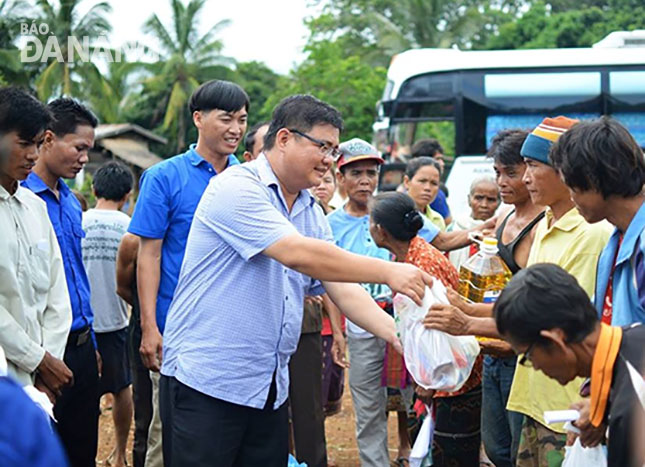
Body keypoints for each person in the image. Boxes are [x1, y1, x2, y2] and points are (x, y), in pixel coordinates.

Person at [158, 95, 432, 466]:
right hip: (210, 382)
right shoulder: (237, 187)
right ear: (284, 138)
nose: (329, 161)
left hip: (267, 386)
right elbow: (297, 253)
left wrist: (398, 334)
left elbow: (339, 284)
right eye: (323, 147)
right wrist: (388, 270)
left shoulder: (306, 207)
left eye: (334, 151)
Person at [424, 116, 612, 466]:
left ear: (565, 171)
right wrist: (464, 307)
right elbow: (526, 308)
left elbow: (557, 325)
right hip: (534, 393)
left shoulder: (590, 235)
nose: (523, 178)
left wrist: (465, 322)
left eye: (532, 166)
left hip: (563, 400)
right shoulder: (545, 225)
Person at [127, 79, 248, 467]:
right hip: (176, 330)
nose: (236, 129)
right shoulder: (164, 177)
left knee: (225, 435)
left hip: (233, 332)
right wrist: (149, 326)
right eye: (226, 118)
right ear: (198, 118)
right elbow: (148, 255)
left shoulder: (248, 180)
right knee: (168, 435)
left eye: (243, 120)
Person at [369, 191, 483, 466]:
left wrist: (428, 384)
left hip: (449, 379)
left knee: (449, 454)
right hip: (448, 376)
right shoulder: (412, 256)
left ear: (380, 230)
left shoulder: (420, 266)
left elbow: (437, 329)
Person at [493, 263, 645, 467]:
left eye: (528, 356)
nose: (535, 367)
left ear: (555, 341)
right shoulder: (633, 338)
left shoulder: (632, 404)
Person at [23, 97, 101, 467]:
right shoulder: (20, 201)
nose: (85, 157)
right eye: (80, 147)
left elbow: (77, 278)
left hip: (82, 347)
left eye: (89, 150)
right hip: (42, 352)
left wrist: (92, 342)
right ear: (49, 139)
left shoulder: (71, 202)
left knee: (82, 447)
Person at [327, 137, 398, 466]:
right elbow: (326, 280)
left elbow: (434, 241)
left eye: (371, 173)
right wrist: (339, 332)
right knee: (369, 405)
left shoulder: (395, 213)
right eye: (356, 173)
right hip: (361, 326)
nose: (365, 180)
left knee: (417, 398)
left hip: (403, 319)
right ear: (340, 177)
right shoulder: (330, 225)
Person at [0, 87, 73, 400]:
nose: (33, 154)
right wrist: (40, 360)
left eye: (38, 143)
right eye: (23, 143)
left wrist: (48, 370)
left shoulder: (35, 207)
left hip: (41, 385)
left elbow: (58, 296)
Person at [81, 161, 134, 467]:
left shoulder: (78, 220)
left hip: (80, 322)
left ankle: (85, 452)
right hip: (115, 321)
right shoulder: (128, 227)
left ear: (93, 189)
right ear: (127, 194)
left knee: (83, 392)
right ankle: (121, 454)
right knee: (122, 386)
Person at [404, 156, 493, 252]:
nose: (428, 188)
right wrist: (485, 227)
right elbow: (442, 241)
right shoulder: (399, 212)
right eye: (422, 181)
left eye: (434, 183)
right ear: (407, 182)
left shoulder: (437, 219)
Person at [116, 233, 152, 467]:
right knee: (145, 418)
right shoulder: (132, 241)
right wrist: (147, 317)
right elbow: (123, 288)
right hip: (144, 334)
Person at [448, 176, 500, 269]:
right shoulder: (454, 227)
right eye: (479, 198)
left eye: (491, 199)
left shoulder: (501, 231)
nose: (484, 205)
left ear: (499, 202)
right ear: (469, 199)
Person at [410, 138, 452, 224]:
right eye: (437, 159)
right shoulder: (437, 196)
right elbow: (448, 221)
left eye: (434, 183)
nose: (442, 163)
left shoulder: (437, 219)